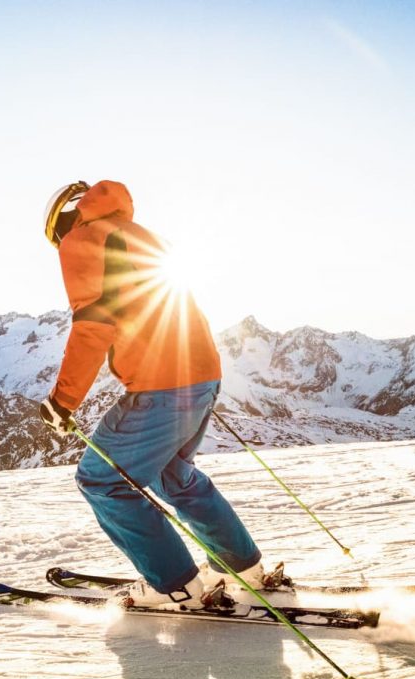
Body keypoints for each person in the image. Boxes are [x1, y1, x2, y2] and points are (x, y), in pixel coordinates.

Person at [38, 179, 265, 609]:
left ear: (62, 223)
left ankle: (173, 583)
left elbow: (93, 324)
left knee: (100, 479)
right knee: (174, 476)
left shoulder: (82, 239)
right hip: (201, 374)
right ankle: (241, 565)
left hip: (163, 383)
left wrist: (62, 401)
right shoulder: (141, 235)